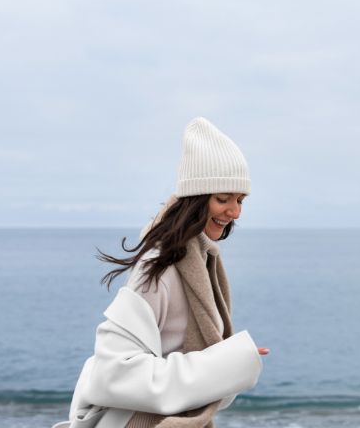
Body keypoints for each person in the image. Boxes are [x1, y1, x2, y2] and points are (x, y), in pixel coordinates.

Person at [52, 117, 268, 428]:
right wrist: (229, 364)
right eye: (223, 199)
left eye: (240, 200)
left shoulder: (203, 262)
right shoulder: (161, 267)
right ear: (195, 199)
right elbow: (114, 373)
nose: (235, 212)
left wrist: (230, 363)